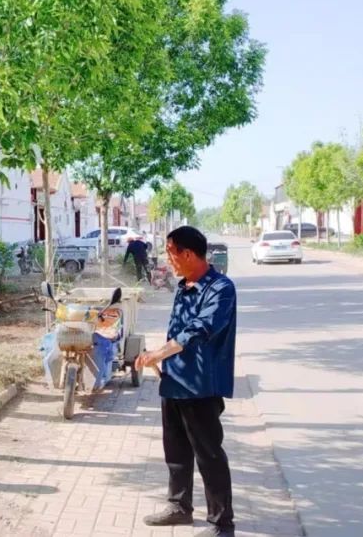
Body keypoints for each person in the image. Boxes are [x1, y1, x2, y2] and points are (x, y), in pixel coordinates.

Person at [135, 226, 237, 537]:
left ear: (188, 254)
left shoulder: (221, 289)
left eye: (171, 252)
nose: (169, 259)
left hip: (201, 386)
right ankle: (179, 507)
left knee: (209, 454)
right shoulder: (184, 286)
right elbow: (177, 327)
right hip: (175, 382)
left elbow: (198, 329)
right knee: (176, 451)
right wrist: (160, 359)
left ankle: (222, 524)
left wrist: (158, 353)